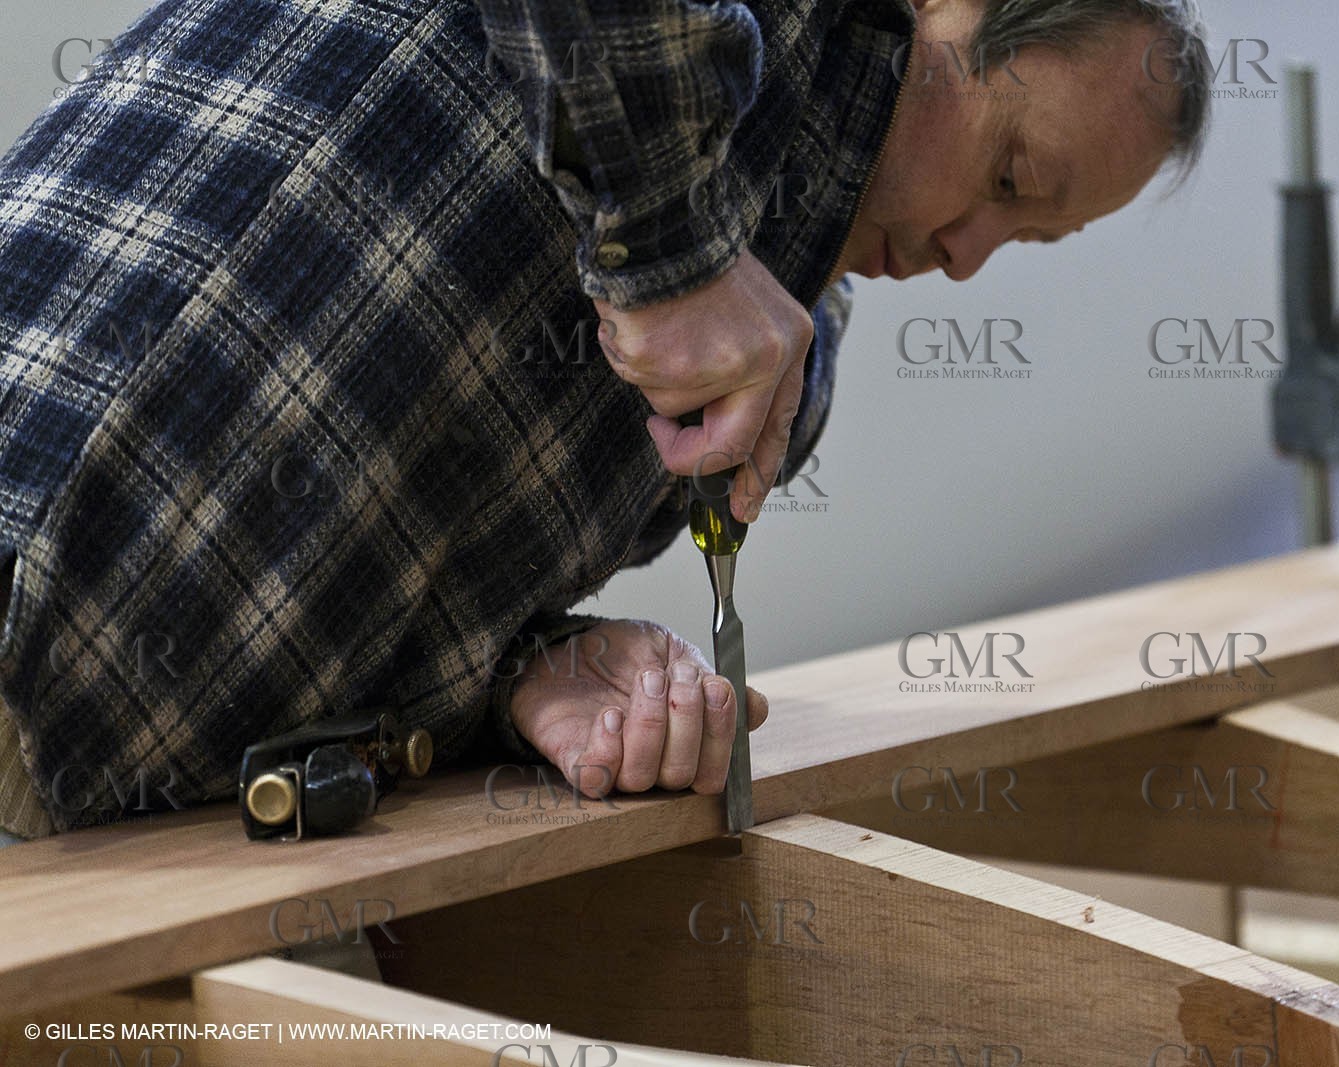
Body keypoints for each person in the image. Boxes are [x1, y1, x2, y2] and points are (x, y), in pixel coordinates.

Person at [0, 0, 1208, 837]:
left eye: (1027, 240)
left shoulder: (776, 370)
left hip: (102, 825)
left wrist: (527, 670)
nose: (964, 261)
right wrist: (671, 249)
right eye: (1008, 178)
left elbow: (392, 584)